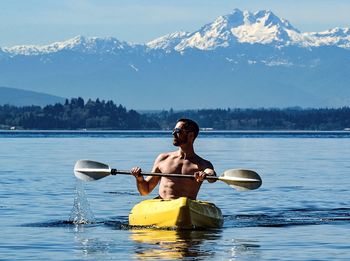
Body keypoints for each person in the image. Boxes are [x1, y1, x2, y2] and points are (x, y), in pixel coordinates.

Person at [131, 118, 216, 200]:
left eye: (178, 131)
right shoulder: (163, 159)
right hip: (163, 206)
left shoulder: (203, 164)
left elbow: (212, 176)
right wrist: (139, 179)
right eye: (173, 130)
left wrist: (205, 175)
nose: (173, 133)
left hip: (186, 207)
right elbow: (145, 191)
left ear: (190, 135)